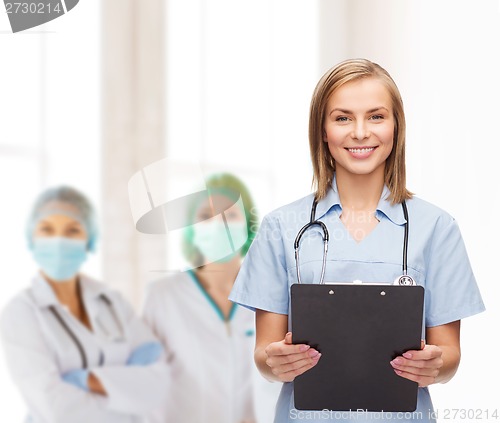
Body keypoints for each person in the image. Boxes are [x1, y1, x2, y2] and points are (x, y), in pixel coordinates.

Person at [229, 58, 485, 423]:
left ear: (396, 127)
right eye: (342, 117)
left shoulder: (437, 228)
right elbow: (264, 358)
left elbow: (450, 358)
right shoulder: (280, 227)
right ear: (322, 130)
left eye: (377, 116)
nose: (361, 132)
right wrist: (278, 362)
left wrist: (434, 366)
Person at [0, 186, 170, 423]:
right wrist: (126, 394)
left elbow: (157, 384)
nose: (58, 241)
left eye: (72, 231)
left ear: (89, 239)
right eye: (47, 230)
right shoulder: (21, 312)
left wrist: (83, 380)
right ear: (32, 238)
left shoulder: (112, 302)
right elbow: (55, 408)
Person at [142, 172, 259, 423]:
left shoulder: (270, 295)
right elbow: (146, 386)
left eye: (231, 215)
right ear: (191, 230)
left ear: (249, 225)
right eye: (206, 216)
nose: (219, 224)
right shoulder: (163, 296)